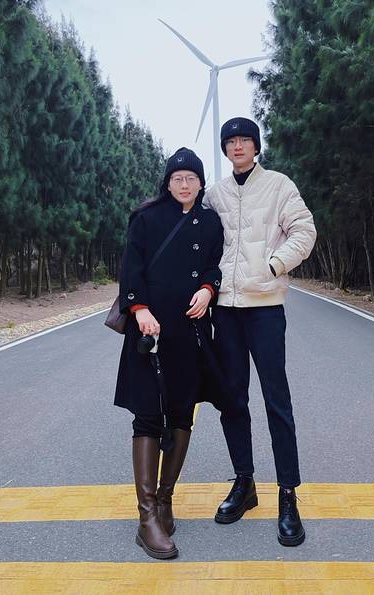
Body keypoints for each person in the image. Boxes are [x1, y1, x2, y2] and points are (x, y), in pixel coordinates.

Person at [203, 117, 317, 546]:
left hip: (265, 308)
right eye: (230, 141)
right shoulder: (215, 193)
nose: (237, 147)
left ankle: (288, 495)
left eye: (244, 140)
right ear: (225, 148)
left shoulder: (278, 186)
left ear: (255, 146)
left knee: (276, 401)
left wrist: (274, 264)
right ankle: (245, 483)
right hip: (225, 311)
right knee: (233, 400)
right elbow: (196, 232)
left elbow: (304, 230)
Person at [114, 147, 224, 560]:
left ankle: (164, 501)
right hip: (150, 331)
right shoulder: (146, 218)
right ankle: (146, 520)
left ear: (200, 183)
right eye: (177, 178)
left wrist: (208, 289)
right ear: (167, 182)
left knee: (181, 414)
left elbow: (214, 264)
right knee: (147, 414)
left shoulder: (211, 222)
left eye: (191, 178)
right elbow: (131, 268)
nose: (184, 184)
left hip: (190, 331)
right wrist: (139, 309)